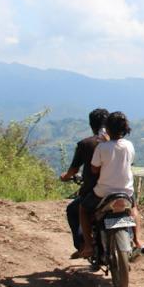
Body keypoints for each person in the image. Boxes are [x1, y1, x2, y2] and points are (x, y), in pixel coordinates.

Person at [84, 111, 144, 255]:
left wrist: (106, 145)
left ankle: (88, 245)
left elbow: (94, 169)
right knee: (134, 209)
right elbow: (129, 161)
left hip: (103, 193)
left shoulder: (102, 147)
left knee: (83, 209)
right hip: (126, 192)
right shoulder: (129, 145)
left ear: (107, 128)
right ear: (125, 129)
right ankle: (138, 240)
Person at [60, 108, 108, 259]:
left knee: (74, 209)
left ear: (91, 125)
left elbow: (74, 169)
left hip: (95, 191)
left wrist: (65, 176)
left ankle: (84, 246)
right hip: (121, 190)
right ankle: (136, 241)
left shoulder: (86, 144)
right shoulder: (121, 144)